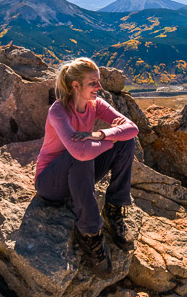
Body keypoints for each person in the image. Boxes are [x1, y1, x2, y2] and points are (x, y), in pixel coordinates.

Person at [33, 57, 138, 272]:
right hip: (50, 183)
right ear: (75, 85)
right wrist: (111, 139)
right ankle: (89, 233)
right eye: (93, 83)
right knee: (81, 155)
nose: (99, 87)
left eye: (98, 82)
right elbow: (79, 152)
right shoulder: (58, 111)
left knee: (126, 141)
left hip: (81, 173)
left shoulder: (95, 104)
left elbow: (132, 128)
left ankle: (114, 207)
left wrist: (100, 134)